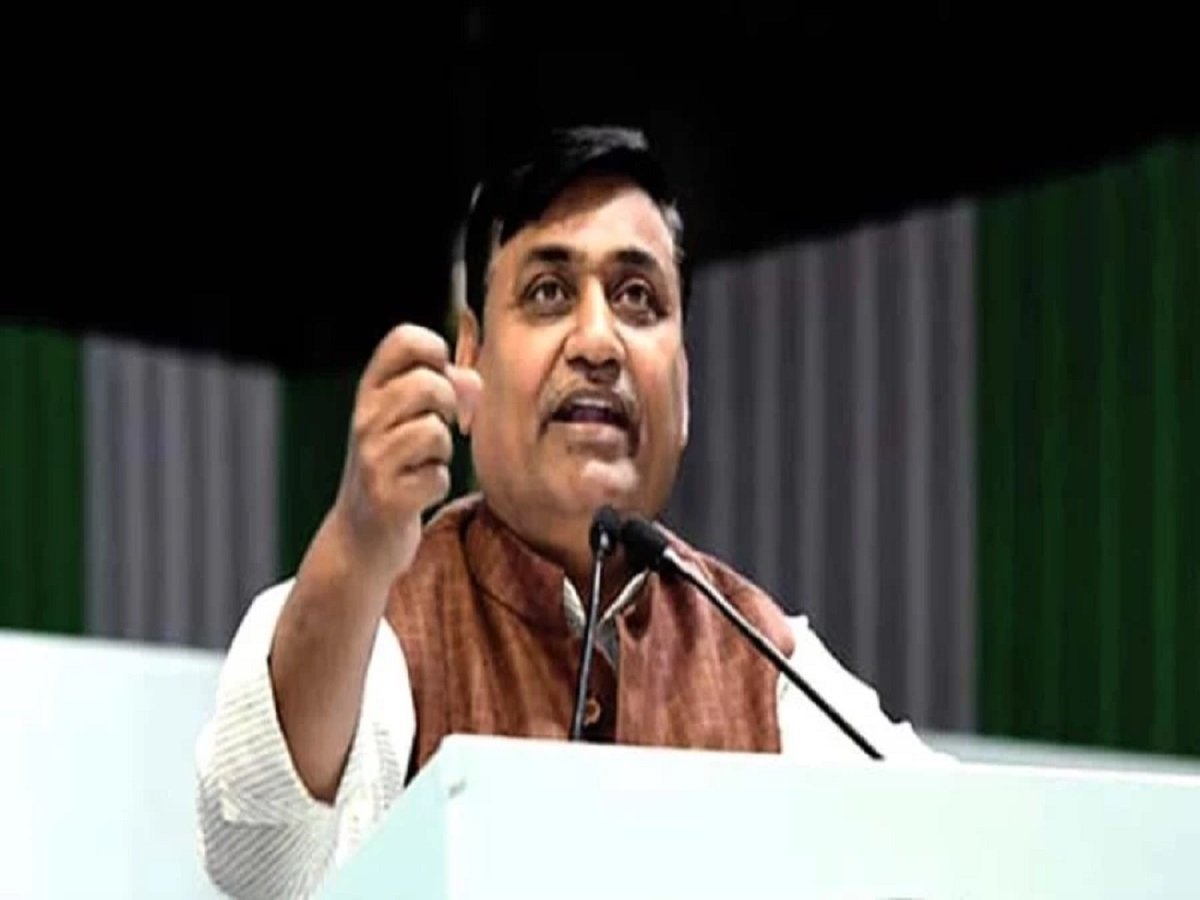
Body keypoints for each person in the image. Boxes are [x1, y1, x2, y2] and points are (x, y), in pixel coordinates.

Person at [194, 125, 944, 898]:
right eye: (549, 292)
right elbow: (259, 853)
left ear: (684, 386)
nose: (598, 341)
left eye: (637, 298)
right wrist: (356, 544)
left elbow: (958, 849)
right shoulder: (385, 621)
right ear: (469, 359)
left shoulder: (761, 654)